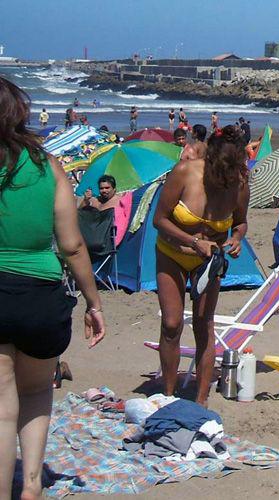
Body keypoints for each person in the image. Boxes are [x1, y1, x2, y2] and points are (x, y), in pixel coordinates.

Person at [0, 76, 105, 499]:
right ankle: (31, 486)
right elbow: (72, 245)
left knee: (2, 408)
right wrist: (94, 303)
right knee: (37, 390)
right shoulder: (48, 167)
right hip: (42, 296)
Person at [153, 125, 249, 407]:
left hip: (210, 261)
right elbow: (160, 219)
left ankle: (201, 399)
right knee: (171, 324)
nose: (227, 176)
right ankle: (168, 394)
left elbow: (241, 221)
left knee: (203, 325)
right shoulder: (185, 172)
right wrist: (192, 241)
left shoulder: (240, 182)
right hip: (172, 253)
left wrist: (236, 237)